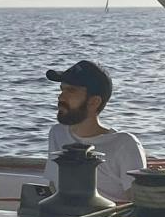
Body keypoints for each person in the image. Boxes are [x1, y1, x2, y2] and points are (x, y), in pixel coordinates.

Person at [45, 59, 146, 201]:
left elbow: (138, 205)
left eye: (71, 91)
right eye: (62, 89)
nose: (61, 97)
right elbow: (53, 188)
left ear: (94, 102)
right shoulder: (57, 133)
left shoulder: (124, 144)